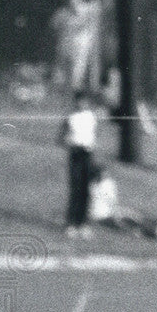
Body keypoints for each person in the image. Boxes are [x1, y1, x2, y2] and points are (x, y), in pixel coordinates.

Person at [58, 91, 97, 238]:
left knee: (86, 190)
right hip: (76, 154)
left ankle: (83, 223)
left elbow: (93, 135)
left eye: (85, 101)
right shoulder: (71, 117)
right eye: (79, 101)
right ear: (76, 102)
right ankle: (71, 224)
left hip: (88, 154)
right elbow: (61, 138)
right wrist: (69, 142)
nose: (82, 104)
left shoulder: (91, 117)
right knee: (76, 188)